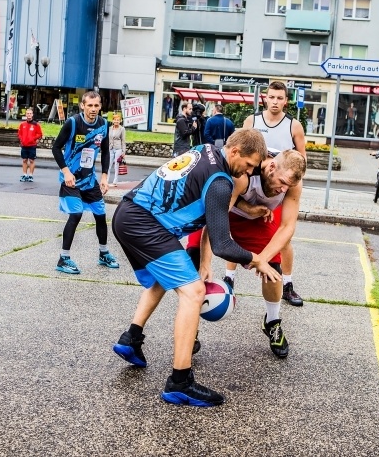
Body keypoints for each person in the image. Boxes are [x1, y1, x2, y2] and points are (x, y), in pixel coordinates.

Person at [111, 130, 280, 407]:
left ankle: (131, 339)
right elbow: (224, 244)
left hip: (130, 214)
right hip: (142, 223)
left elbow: (211, 218)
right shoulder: (221, 182)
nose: (248, 173)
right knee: (193, 291)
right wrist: (257, 259)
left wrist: (248, 211)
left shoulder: (206, 150)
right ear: (235, 151)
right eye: (249, 165)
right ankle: (180, 382)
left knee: (163, 278)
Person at [185, 150, 307, 358]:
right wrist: (206, 263)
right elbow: (214, 215)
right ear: (271, 168)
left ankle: (272, 321)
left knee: (273, 269)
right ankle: (190, 329)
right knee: (194, 259)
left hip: (258, 218)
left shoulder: (292, 186)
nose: (284, 189)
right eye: (283, 182)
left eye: (289, 186)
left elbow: (287, 227)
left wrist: (263, 259)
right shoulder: (245, 173)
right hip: (224, 210)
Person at [243, 81, 306, 306]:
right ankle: (229, 278)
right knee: (234, 222)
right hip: (254, 182)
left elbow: (302, 160)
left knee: (283, 237)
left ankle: (287, 283)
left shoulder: (293, 126)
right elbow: (241, 150)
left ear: (286, 101)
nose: (275, 102)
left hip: (278, 186)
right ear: (265, 98)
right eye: (272, 97)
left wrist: (289, 185)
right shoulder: (252, 121)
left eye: (280, 98)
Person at [51, 91, 119, 274]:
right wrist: (66, 172)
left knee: (101, 215)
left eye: (96, 105)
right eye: (89, 105)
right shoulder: (73, 123)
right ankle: (63, 259)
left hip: (89, 181)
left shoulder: (104, 125)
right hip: (71, 180)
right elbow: (56, 148)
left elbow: (105, 151)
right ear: (82, 105)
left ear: (100, 107)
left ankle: (103, 254)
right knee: (76, 214)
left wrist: (104, 176)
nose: (93, 109)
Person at [17, 108, 43, 182]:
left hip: (32, 145)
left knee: (31, 160)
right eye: (27, 113)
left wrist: (34, 139)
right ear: (26, 115)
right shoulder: (22, 124)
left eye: (30, 113)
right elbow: (19, 134)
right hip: (24, 145)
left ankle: (30, 175)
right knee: (24, 160)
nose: (29, 115)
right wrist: (22, 140)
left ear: (32, 114)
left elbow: (40, 134)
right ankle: (25, 175)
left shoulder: (36, 124)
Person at [108, 112, 126, 187]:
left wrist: (123, 151)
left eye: (118, 120)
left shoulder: (122, 129)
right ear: (112, 121)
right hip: (110, 148)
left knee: (116, 164)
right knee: (108, 164)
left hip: (118, 148)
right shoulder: (110, 128)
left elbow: (123, 140)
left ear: (120, 121)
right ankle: (106, 179)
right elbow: (107, 139)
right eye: (115, 120)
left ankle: (115, 180)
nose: (116, 121)